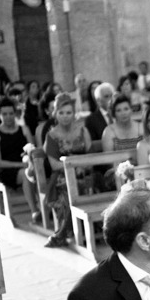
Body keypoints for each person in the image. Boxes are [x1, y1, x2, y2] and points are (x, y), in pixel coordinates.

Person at [43, 93, 93, 248]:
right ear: (55, 114)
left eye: (69, 113)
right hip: (61, 176)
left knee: (93, 183)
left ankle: (89, 228)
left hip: (84, 172)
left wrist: (83, 167)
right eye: (61, 113)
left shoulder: (83, 131)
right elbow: (54, 165)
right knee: (69, 190)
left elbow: (91, 158)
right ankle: (64, 232)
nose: (65, 116)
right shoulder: (51, 135)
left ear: (74, 114)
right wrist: (74, 167)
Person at [0, 98, 39, 221]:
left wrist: (29, 160)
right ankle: (35, 211)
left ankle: (47, 206)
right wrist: (20, 165)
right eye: (4, 114)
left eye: (11, 113)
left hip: (26, 164)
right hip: (7, 170)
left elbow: (33, 151)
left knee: (38, 171)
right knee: (25, 174)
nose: (8, 117)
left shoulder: (23, 129)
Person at [85, 82, 115, 147]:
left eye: (111, 96)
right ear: (98, 100)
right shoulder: (91, 120)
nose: (110, 100)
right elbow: (93, 144)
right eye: (106, 97)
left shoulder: (119, 114)